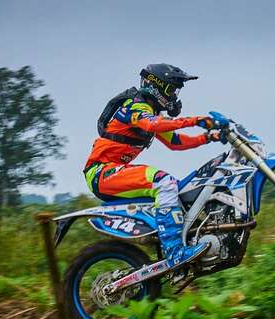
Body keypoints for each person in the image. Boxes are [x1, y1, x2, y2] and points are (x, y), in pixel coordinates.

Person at [84, 63, 227, 268]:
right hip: (101, 172)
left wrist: (209, 137)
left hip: (113, 172)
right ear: (155, 86)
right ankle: (175, 252)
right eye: (171, 90)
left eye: (176, 91)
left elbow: (176, 142)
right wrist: (196, 120)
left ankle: (184, 238)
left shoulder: (151, 114)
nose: (174, 96)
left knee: (179, 189)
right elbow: (152, 124)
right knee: (164, 182)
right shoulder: (134, 107)